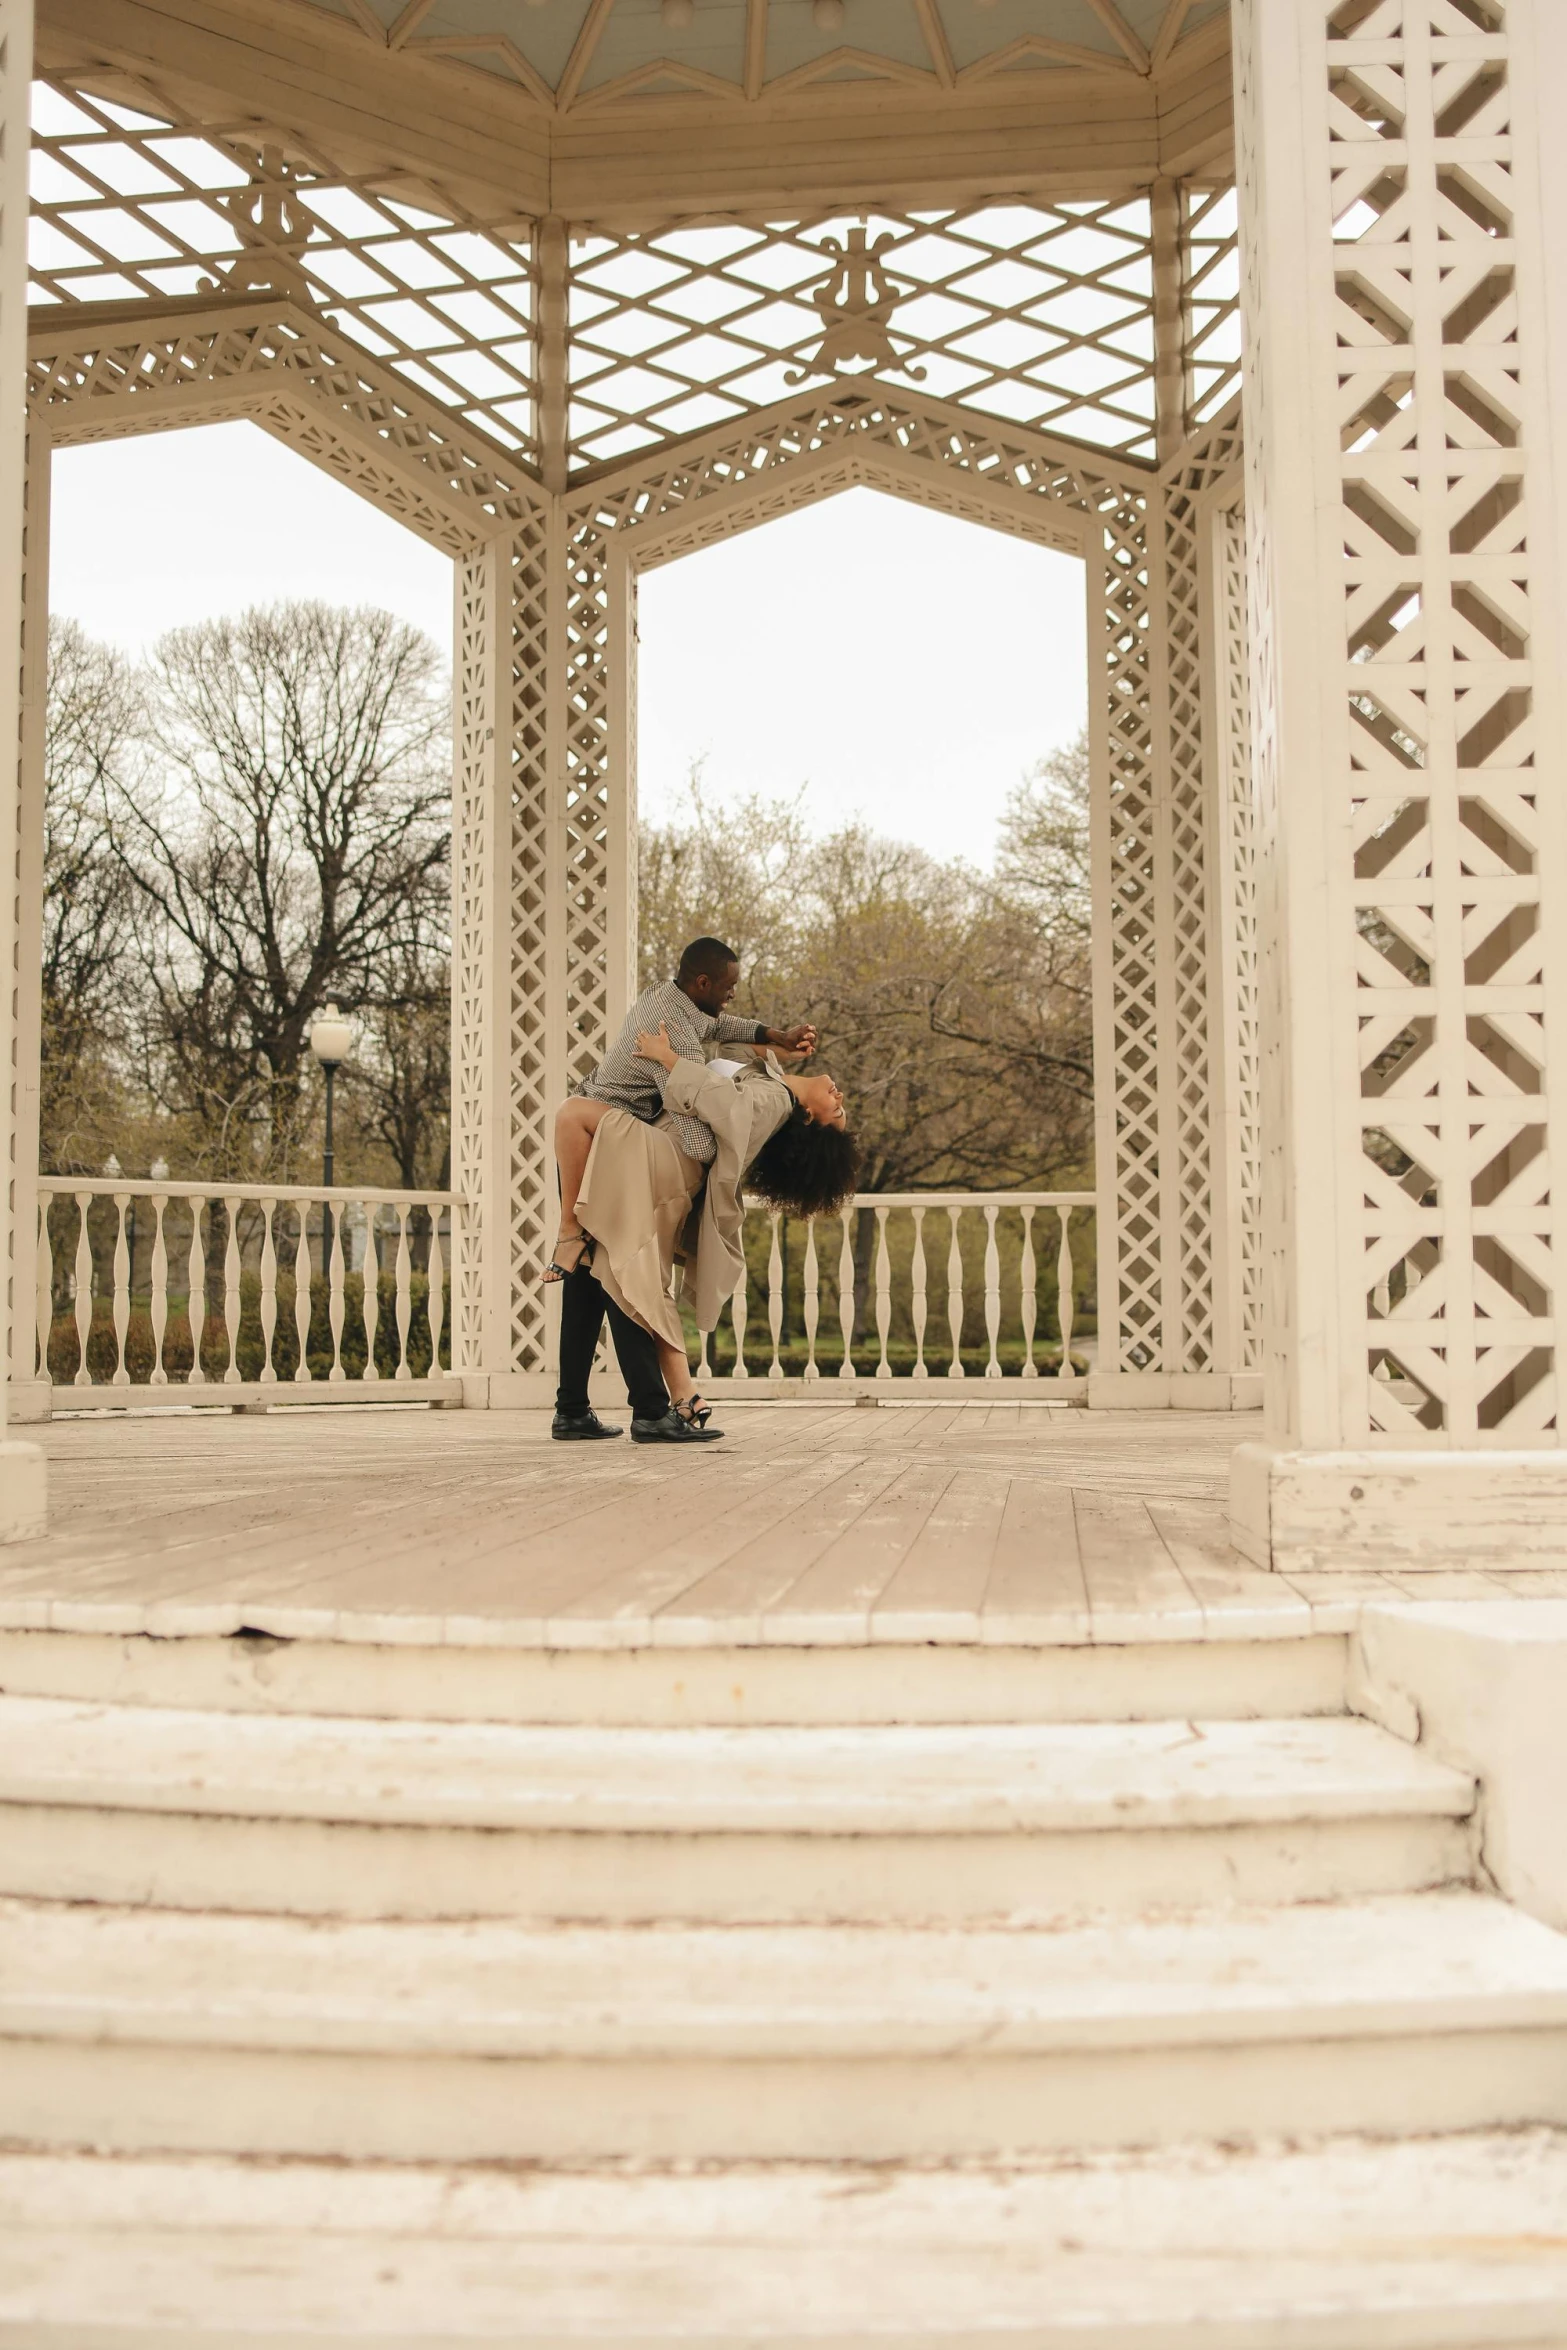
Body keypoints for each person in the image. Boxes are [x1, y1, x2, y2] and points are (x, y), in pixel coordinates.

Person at [551, 1027, 860, 1443]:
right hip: (656, 1153)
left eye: (836, 1113)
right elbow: (723, 1049)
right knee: (597, 1268)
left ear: (808, 1118)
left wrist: (667, 1058)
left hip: (664, 1162)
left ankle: (653, 1407)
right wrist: (778, 1044)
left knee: (574, 1117)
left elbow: (721, 1102)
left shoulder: (775, 1102)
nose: (841, 1099)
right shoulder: (770, 1081)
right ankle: (577, 1409)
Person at [546, 936, 815, 1285]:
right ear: (703, 983)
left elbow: (717, 1025)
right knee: (605, 1287)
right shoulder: (671, 1038)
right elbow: (700, 1147)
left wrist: (775, 1035)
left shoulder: (666, 995)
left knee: (586, 1295)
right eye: (729, 986)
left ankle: (572, 1243)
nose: (732, 995)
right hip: (598, 1145)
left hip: (603, 1133)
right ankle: (570, 1231)